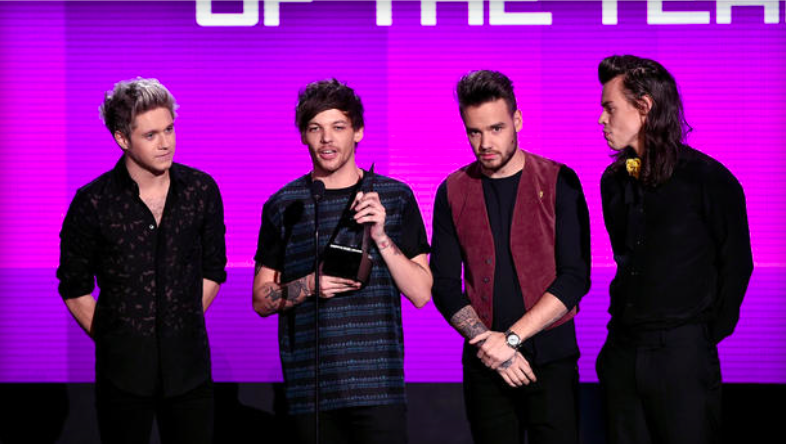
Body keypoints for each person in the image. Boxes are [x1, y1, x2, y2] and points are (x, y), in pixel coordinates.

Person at [252, 79, 432, 444]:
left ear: (358, 131)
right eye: (315, 129)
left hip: (378, 387)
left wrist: (380, 235)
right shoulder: (283, 205)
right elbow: (260, 299)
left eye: (338, 127)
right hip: (310, 390)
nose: (326, 139)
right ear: (303, 136)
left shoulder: (395, 197)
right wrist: (308, 286)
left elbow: (421, 293)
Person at [57, 78, 227, 444]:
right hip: (122, 376)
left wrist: (177, 324)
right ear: (122, 138)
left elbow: (214, 269)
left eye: (169, 129)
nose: (166, 143)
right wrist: (116, 339)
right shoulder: (93, 202)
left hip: (189, 371)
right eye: (151, 135)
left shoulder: (201, 191)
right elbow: (74, 286)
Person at [596, 55, 754, 444]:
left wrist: (698, 339)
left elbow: (737, 266)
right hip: (623, 350)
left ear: (644, 107)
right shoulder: (613, 181)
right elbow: (625, 257)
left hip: (681, 354)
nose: (601, 119)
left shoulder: (709, 180)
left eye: (610, 108)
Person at [430, 70, 591, 444]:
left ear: (517, 120)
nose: (485, 143)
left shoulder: (559, 180)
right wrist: (491, 346)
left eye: (496, 128)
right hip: (485, 361)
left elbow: (575, 277)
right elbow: (444, 285)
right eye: (474, 132)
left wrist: (512, 340)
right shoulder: (452, 190)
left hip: (551, 358)